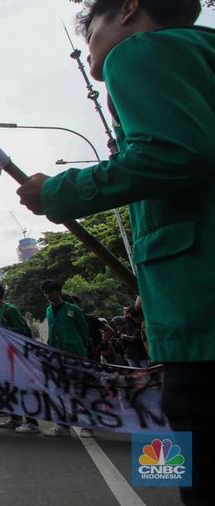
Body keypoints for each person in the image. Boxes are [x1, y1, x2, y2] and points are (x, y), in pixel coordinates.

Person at [17, 1, 212, 500]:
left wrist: (57, 193)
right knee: (163, 414)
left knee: (187, 445)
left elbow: (174, 152)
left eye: (90, 34)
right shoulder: (202, 53)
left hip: (198, 327)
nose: (90, 53)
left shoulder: (141, 52)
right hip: (173, 324)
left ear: (128, 8)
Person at [0, 284, 39, 433]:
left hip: (18, 356)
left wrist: (3, 327)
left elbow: (22, 331)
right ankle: (15, 418)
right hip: (6, 357)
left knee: (22, 387)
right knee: (10, 388)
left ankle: (32, 422)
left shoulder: (10, 309)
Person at [40, 280, 91, 438]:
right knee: (60, 391)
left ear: (59, 291)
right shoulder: (48, 310)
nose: (49, 295)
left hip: (75, 355)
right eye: (46, 293)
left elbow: (84, 333)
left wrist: (85, 354)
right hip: (57, 356)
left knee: (80, 391)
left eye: (52, 291)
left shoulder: (73, 309)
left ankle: (87, 425)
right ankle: (62, 425)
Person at [72, 296, 103, 364]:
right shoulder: (69, 322)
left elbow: (109, 331)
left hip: (92, 355)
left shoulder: (90, 318)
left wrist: (99, 346)